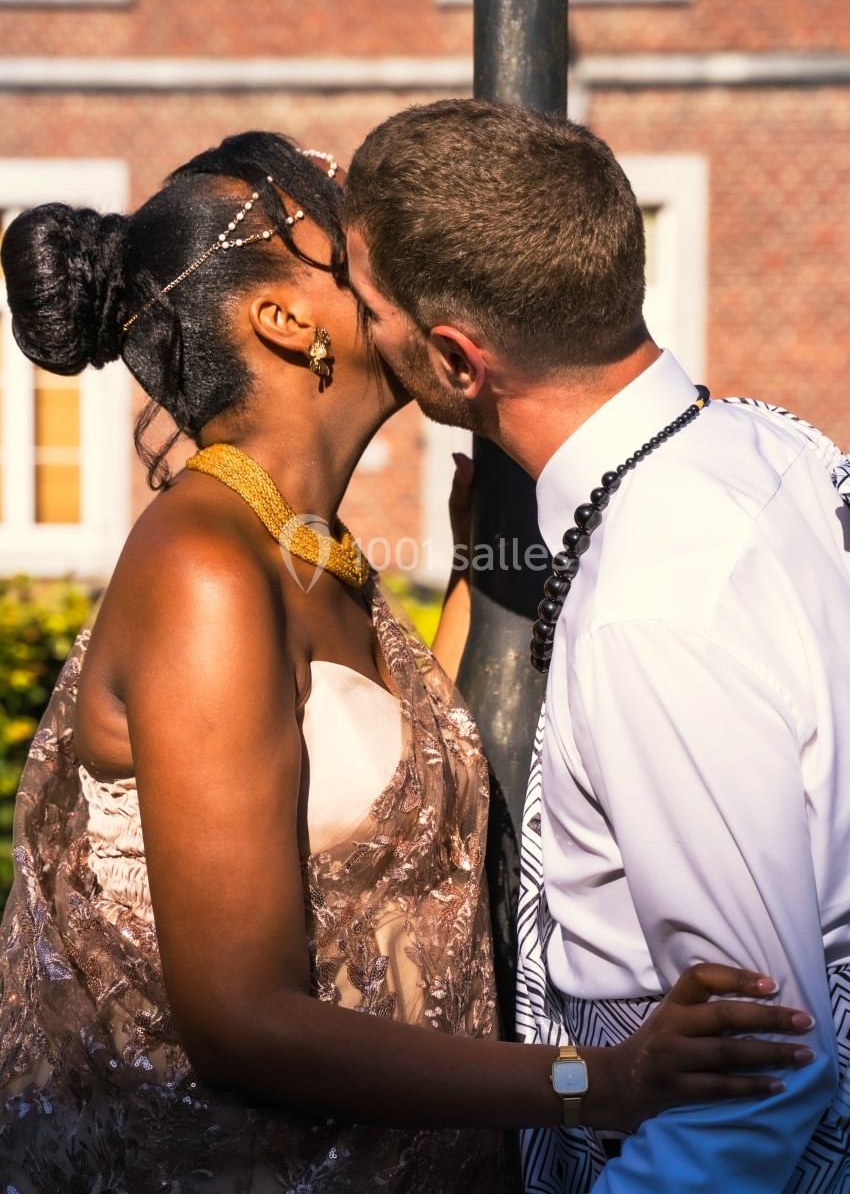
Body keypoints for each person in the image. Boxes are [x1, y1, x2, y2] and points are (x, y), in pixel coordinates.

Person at [0, 132, 813, 1194]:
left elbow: (369, 797)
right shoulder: (205, 565)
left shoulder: (313, 547)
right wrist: (596, 1082)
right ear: (287, 321)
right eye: (348, 243)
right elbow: (240, 1019)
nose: (390, 250)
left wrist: (482, 568)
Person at [344, 99, 850, 1192]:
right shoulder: (768, 441)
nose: (358, 329)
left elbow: (760, 1073)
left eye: (368, 303)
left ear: (453, 357)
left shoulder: (650, 605)